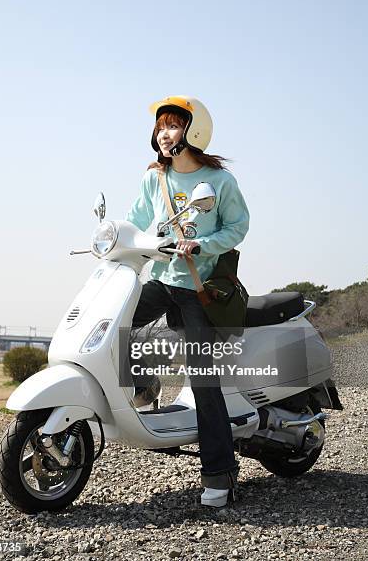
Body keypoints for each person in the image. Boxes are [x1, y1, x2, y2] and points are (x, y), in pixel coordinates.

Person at [126, 95, 250, 507]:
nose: (164, 133)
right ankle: (145, 385)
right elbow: (137, 222)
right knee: (113, 326)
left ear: (194, 131)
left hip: (197, 288)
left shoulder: (219, 182)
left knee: (202, 380)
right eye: (161, 125)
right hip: (161, 280)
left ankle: (220, 472)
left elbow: (238, 226)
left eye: (173, 125)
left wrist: (203, 243)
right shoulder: (153, 178)